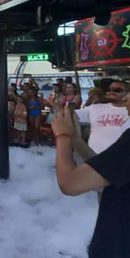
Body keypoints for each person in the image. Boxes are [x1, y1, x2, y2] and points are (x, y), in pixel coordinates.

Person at [51, 96, 130, 257]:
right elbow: (105, 170)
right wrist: (77, 141)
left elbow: (70, 184)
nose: (126, 98)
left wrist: (62, 136)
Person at [75, 81, 130, 155]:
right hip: (95, 157)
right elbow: (69, 115)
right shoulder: (95, 108)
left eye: (117, 90)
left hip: (123, 158)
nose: (111, 92)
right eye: (109, 89)